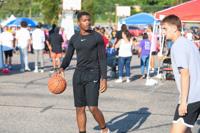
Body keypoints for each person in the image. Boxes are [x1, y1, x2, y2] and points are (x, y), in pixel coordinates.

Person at [59, 11, 110, 133]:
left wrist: (104, 78)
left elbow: (102, 58)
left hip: (93, 73)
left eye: (89, 20)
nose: (87, 22)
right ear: (79, 22)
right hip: (78, 75)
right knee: (79, 109)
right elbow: (68, 56)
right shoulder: (74, 38)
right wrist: (61, 68)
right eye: (84, 20)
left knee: (92, 108)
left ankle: (104, 129)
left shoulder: (97, 37)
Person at [161, 15, 200, 133]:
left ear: (174, 28)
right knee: (186, 129)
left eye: (165, 29)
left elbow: (185, 73)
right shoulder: (189, 43)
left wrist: (183, 102)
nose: (163, 32)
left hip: (191, 97)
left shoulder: (178, 46)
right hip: (197, 94)